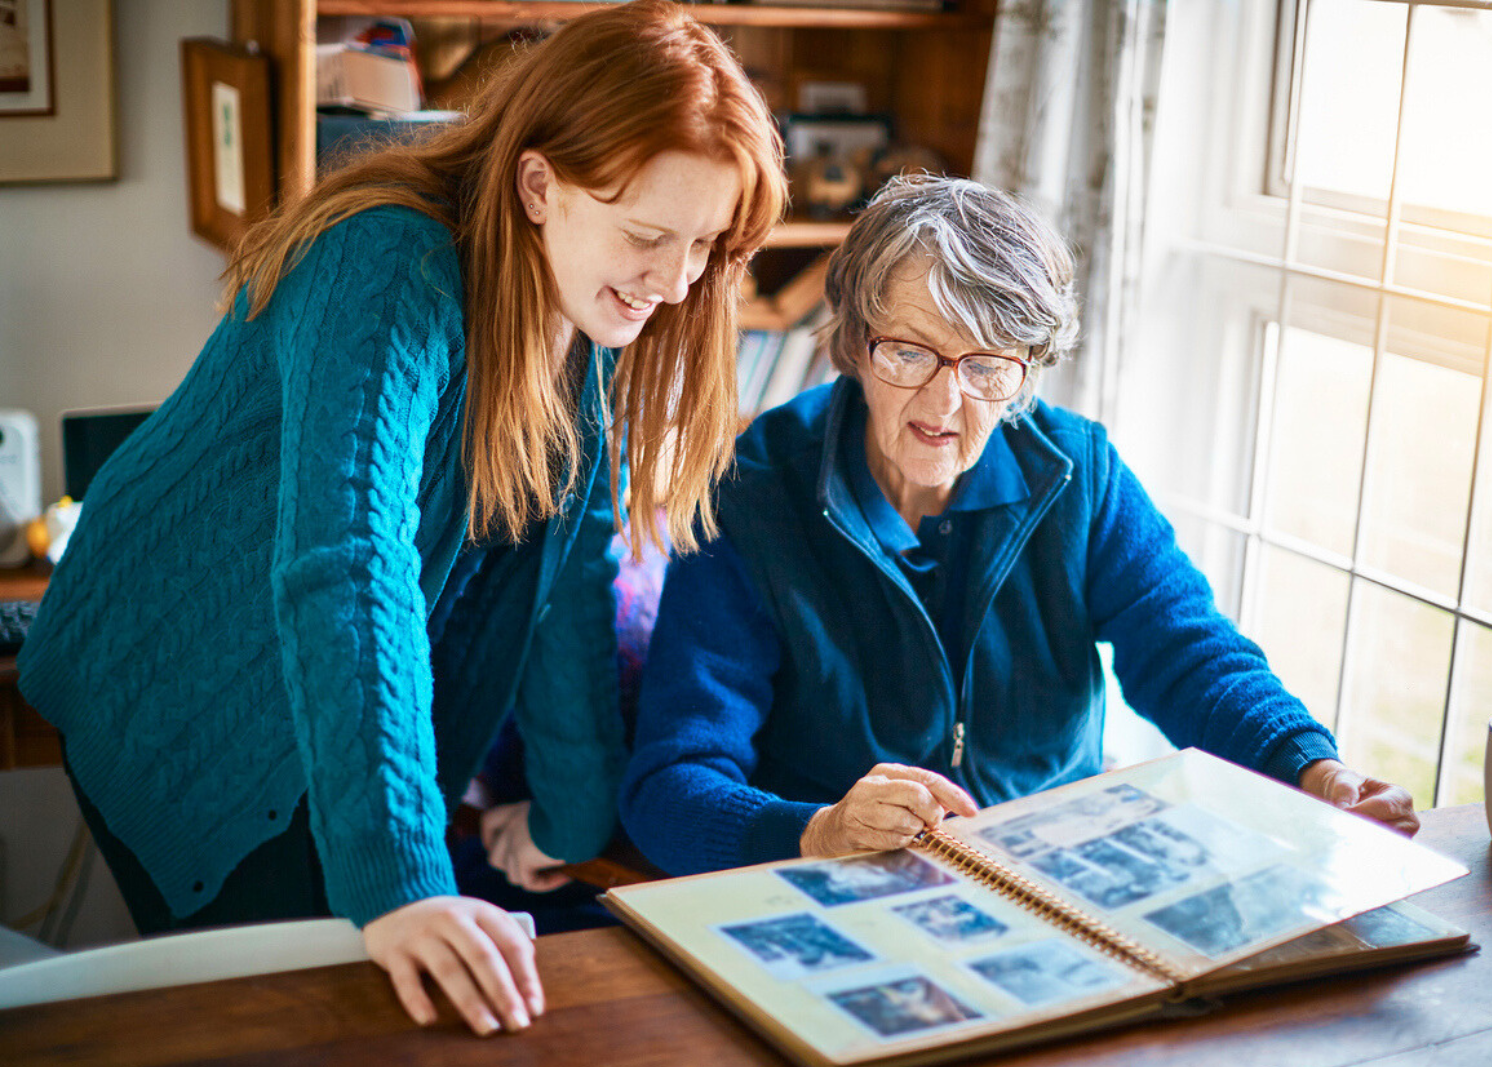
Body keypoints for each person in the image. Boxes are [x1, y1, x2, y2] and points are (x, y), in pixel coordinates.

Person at [18, 0, 784, 1037]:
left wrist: (568, 813)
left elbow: (567, 569)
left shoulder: (585, 304)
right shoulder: (389, 263)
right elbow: (350, 556)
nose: (677, 280)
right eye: (649, 235)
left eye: (705, 244)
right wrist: (401, 882)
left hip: (320, 682)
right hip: (180, 679)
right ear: (538, 185)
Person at [619, 175, 1418, 880]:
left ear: (1027, 372)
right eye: (910, 353)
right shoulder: (752, 491)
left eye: (986, 366)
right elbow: (668, 789)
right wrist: (818, 829)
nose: (943, 405)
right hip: (838, 884)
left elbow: (1190, 654)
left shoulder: (1076, 472)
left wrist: (1311, 767)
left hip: (1046, 873)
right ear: (856, 343)